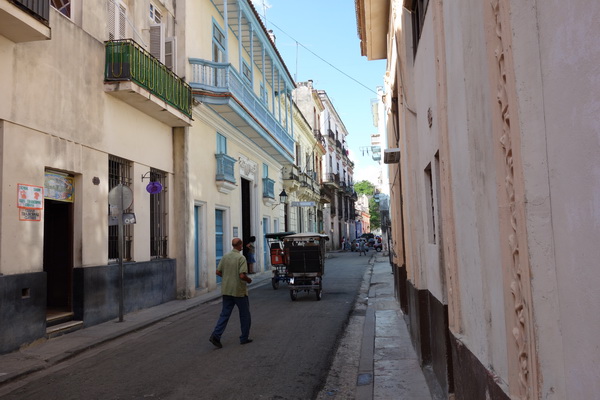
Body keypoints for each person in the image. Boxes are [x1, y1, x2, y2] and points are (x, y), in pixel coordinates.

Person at [209, 238, 253, 348]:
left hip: (226, 290)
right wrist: (249, 280)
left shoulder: (225, 257)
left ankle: (216, 335)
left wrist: (228, 278)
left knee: (225, 314)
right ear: (240, 245)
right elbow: (242, 275)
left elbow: (218, 271)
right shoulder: (241, 258)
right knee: (245, 315)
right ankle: (244, 338)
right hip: (239, 291)